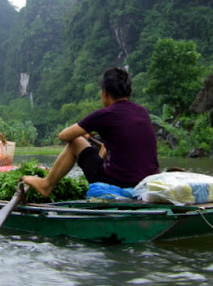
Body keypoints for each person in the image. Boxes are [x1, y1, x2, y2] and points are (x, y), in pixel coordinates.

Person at [23, 67, 160, 196]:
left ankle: (46, 185)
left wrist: (83, 132)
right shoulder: (142, 111)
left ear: (105, 93)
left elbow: (64, 135)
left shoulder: (105, 114)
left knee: (76, 141)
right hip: (146, 183)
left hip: (117, 183)